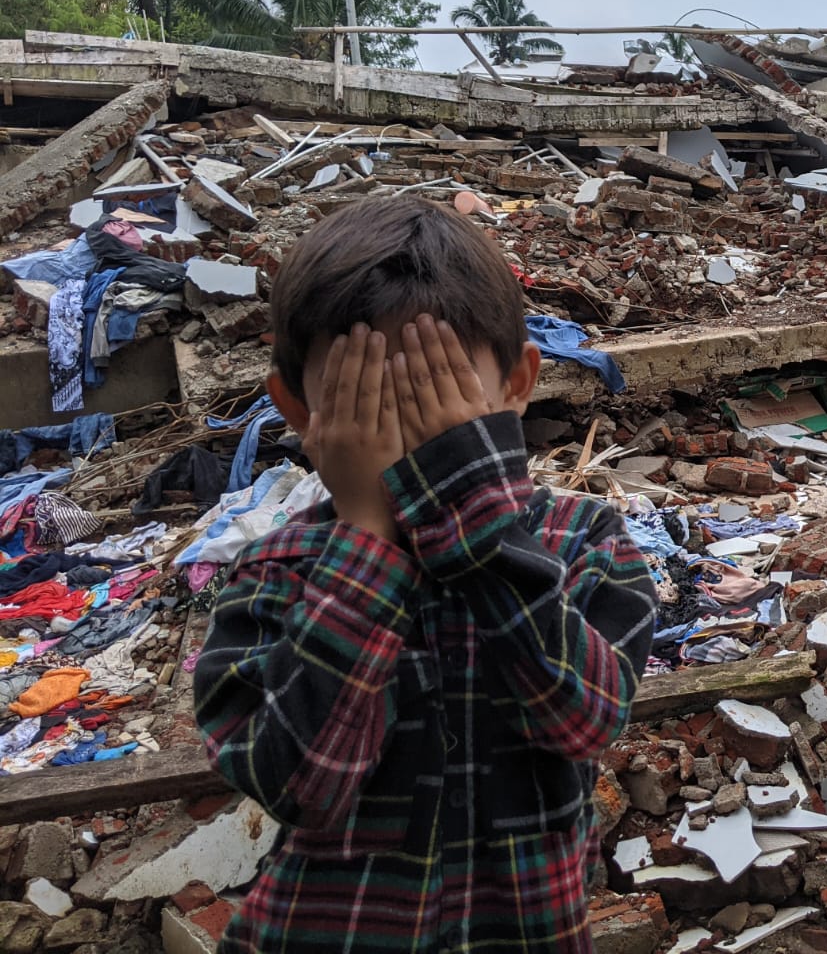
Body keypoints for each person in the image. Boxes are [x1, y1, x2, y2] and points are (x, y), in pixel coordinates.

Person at [195, 196, 657, 953]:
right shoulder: (275, 571)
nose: (401, 438)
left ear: (514, 387)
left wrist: (473, 516)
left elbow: (582, 719)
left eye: (431, 400)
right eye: (365, 403)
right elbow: (298, 787)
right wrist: (368, 539)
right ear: (299, 410)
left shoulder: (582, 543)